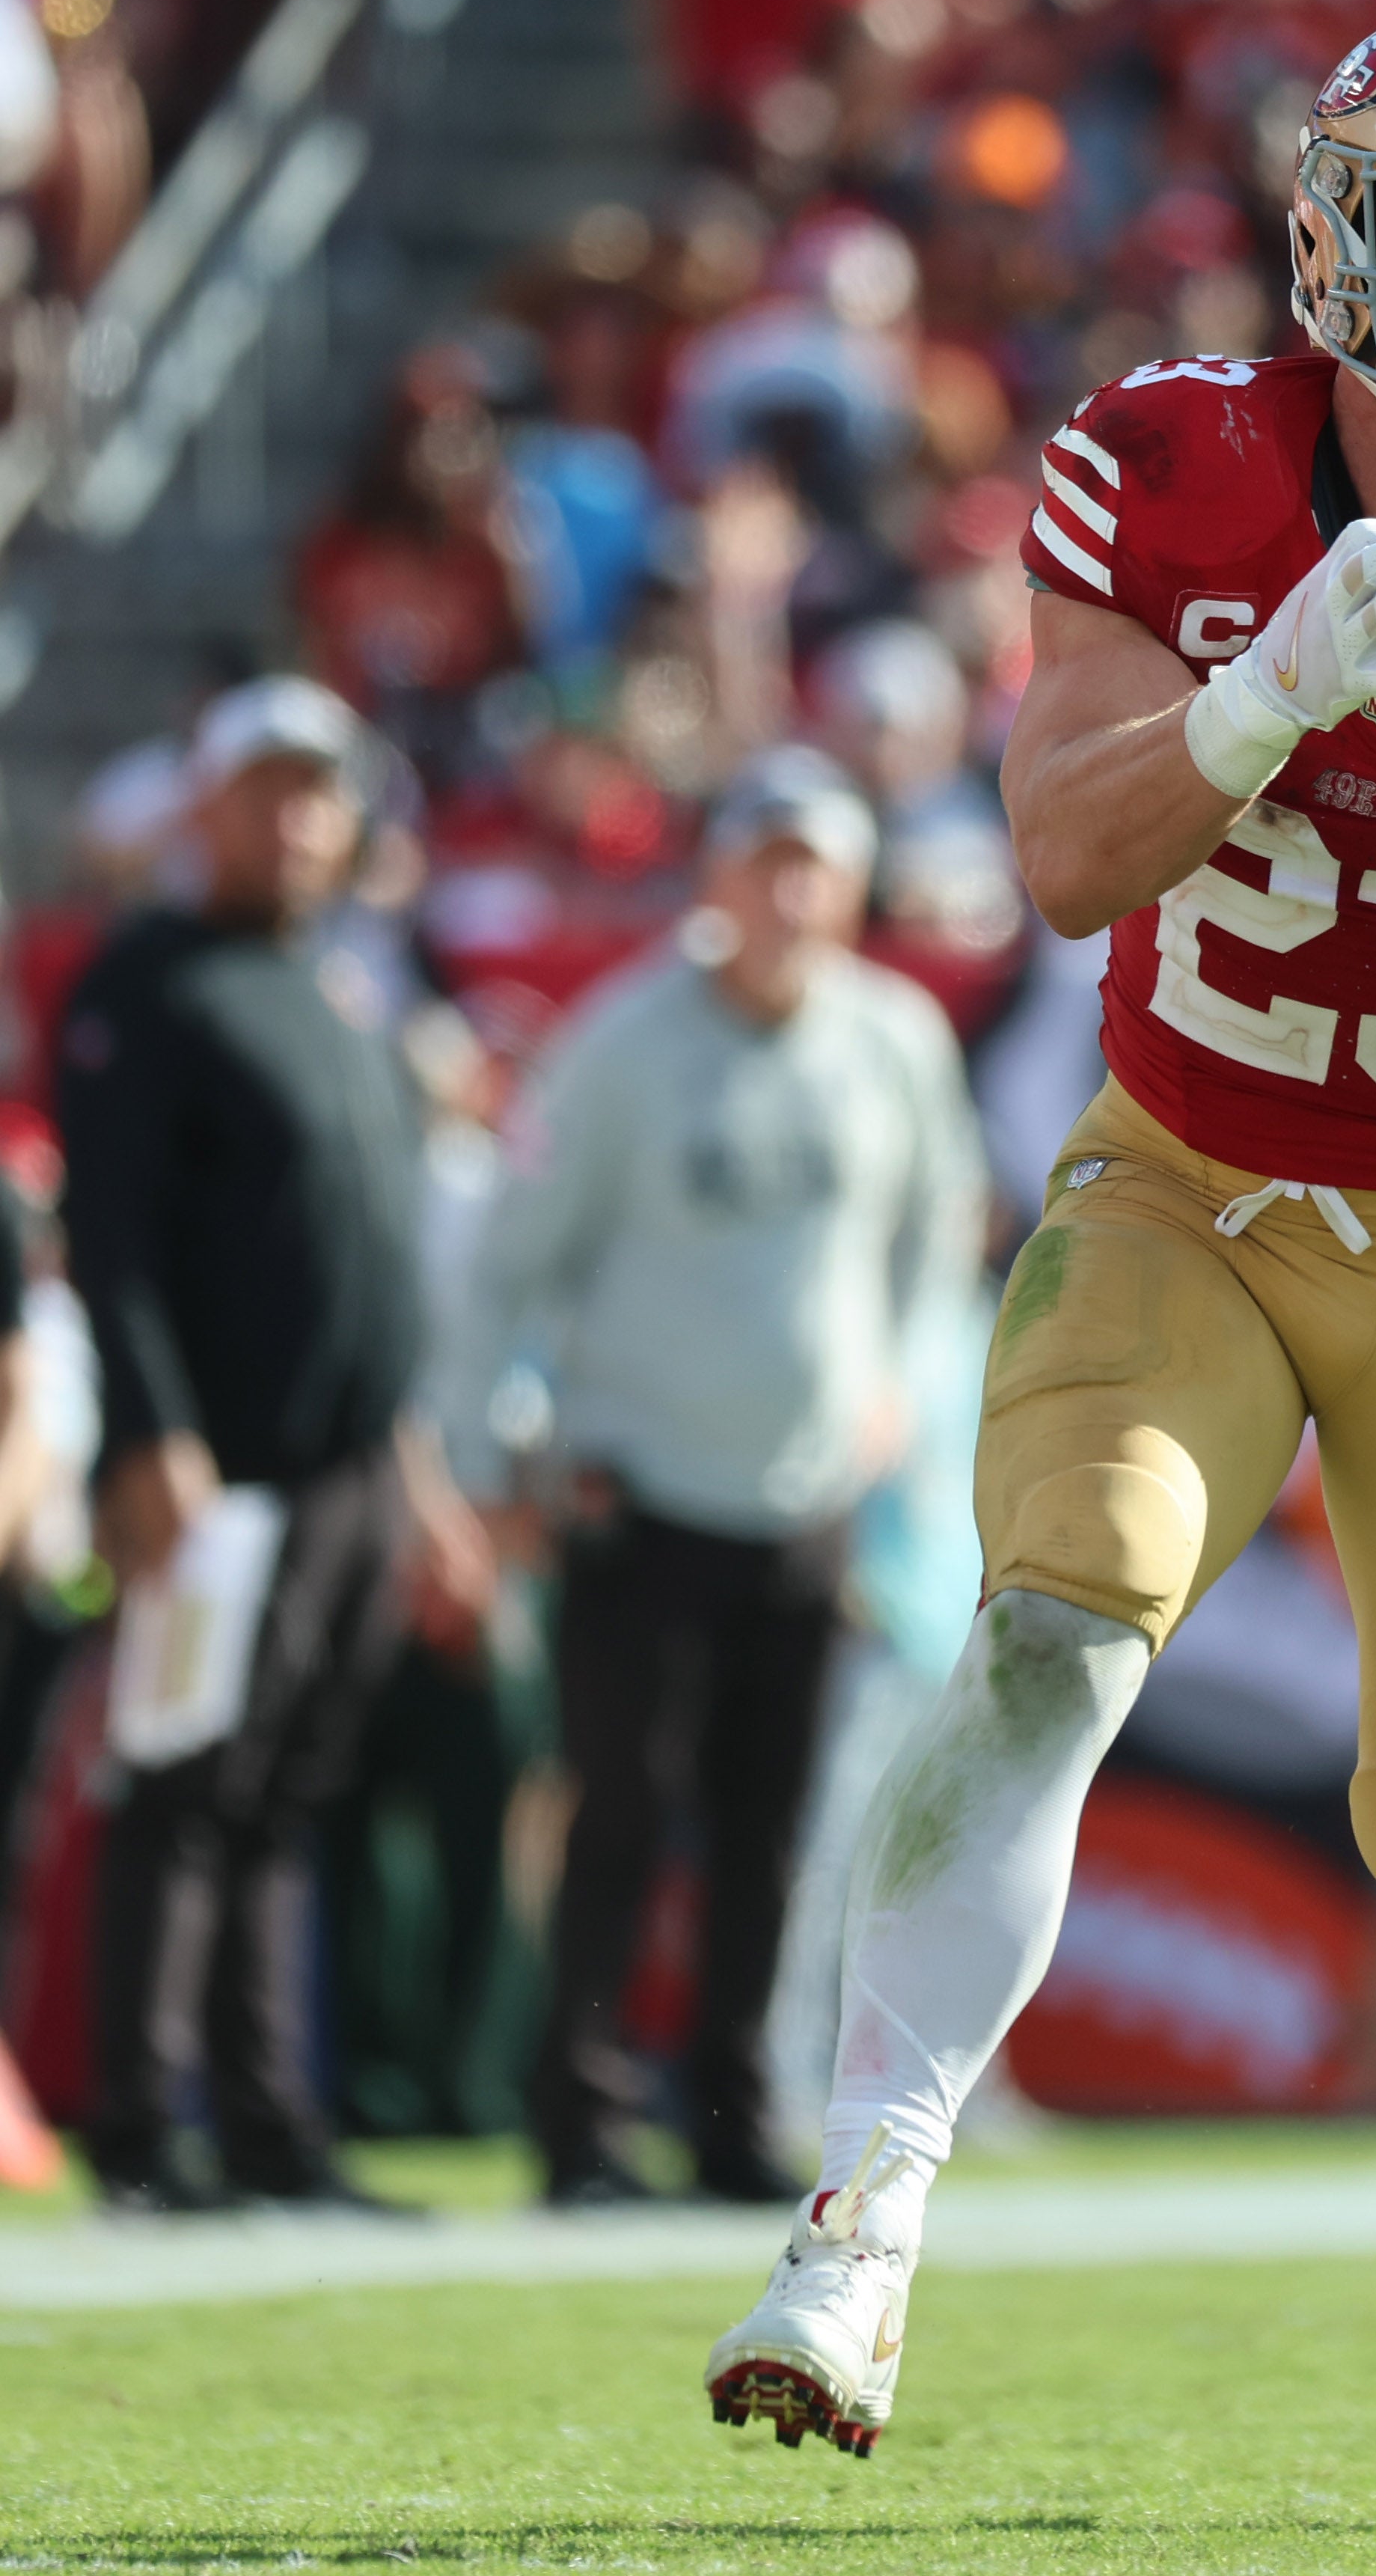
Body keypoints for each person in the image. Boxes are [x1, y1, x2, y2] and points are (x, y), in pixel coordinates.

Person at [706, 0, 1376, 2456]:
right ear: (1340, 241)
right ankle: (860, 2226)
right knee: (1040, 1641)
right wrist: (1258, 699)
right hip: (1185, 1172)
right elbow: (1066, 856)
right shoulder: (1167, 473)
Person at [462, 746, 986, 2206]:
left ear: (854, 886)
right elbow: (512, 1259)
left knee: (769, 1835)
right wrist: (481, 1448)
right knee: (618, 1816)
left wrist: (898, 1386)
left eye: (818, 866)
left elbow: (931, 1232)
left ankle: (732, 2114)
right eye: (768, 863)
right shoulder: (623, 1044)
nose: (793, 895)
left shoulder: (892, 1038)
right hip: (637, 1491)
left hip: (811, 1499)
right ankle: (578, 2120)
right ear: (718, 878)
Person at [60, 677, 498, 2213]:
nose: (300, 819)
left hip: (353, 1469)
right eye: (271, 790)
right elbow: (108, 1241)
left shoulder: (342, 982)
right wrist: (149, 1433)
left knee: (287, 1793)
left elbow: (371, 1250)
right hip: (219, 1471)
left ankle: (264, 2126)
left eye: (323, 793)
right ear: (210, 804)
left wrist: (418, 1475)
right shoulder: (148, 983)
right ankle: (139, 2127)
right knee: (186, 1780)